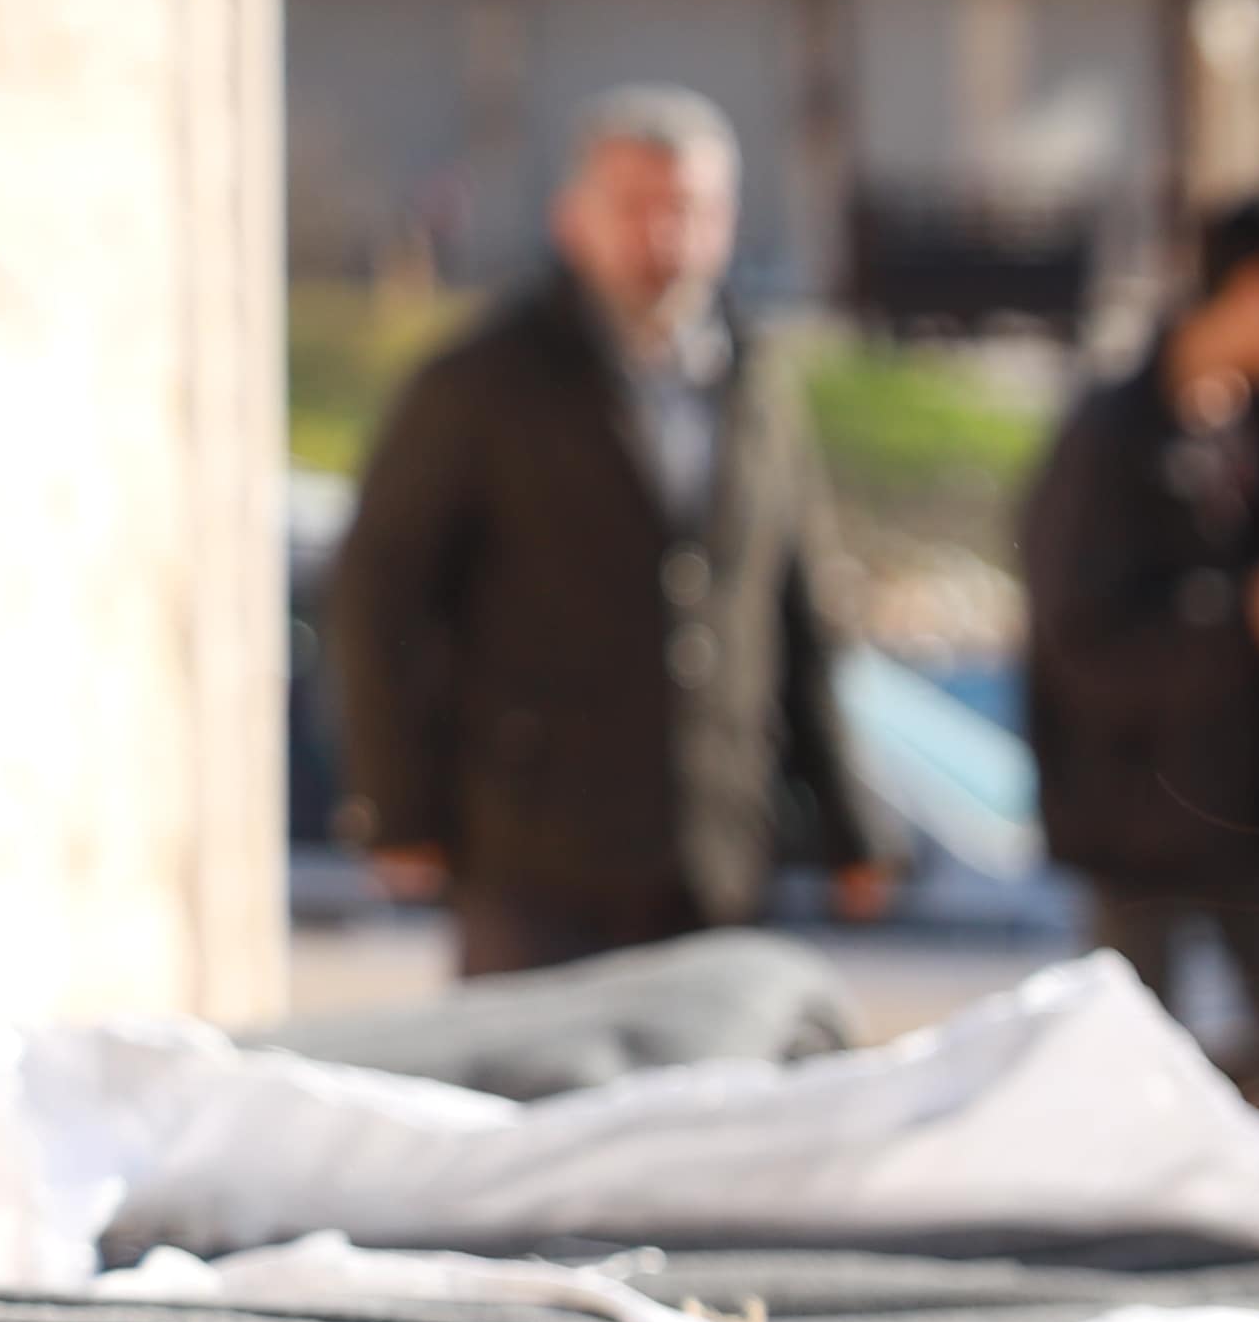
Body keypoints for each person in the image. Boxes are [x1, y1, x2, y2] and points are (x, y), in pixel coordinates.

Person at [326, 87, 886, 972]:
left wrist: (853, 823)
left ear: (726, 222)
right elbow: (379, 596)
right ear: (572, 220)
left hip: (717, 852)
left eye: (688, 210)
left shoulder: (759, 382)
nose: (663, 239)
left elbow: (796, 610)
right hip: (537, 856)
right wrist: (397, 810)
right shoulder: (483, 381)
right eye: (634, 208)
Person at [1031, 187, 1259, 1123]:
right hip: (1136, 813)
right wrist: (1243, 624)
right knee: (1129, 1080)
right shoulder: (1109, 434)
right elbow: (1077, 640)